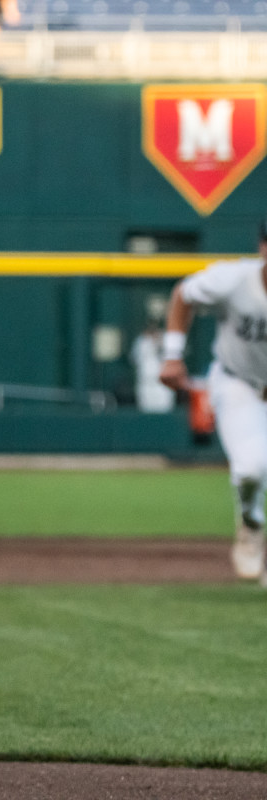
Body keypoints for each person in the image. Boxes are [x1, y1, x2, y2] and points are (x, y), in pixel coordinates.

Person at [160, 218, 267, 583]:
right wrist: (173, 355)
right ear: (262, 248)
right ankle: (251, 522)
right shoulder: (234, 279)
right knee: (251, 468)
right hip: (240, 384)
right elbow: (183, 295)